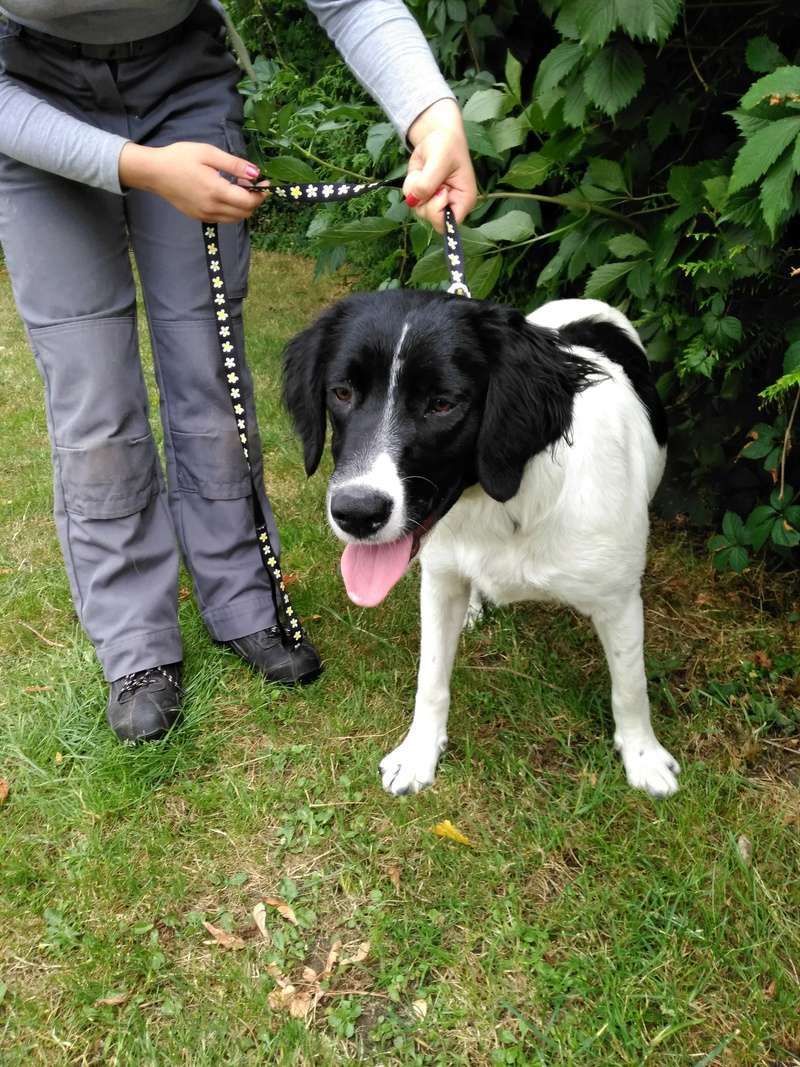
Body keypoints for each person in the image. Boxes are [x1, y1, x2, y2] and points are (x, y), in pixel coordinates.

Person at [0, 0, 477, 743]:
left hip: (180, 80)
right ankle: (137, 647)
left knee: (211, 383)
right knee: (93, 403)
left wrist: (431, 114)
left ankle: (245, 598)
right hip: (24, 89)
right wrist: (140, 168)